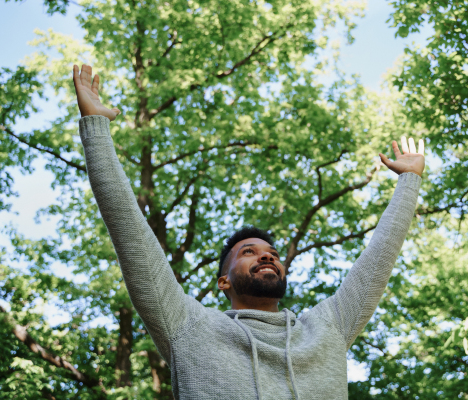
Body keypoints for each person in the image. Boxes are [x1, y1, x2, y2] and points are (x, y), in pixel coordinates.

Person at [73, 64, 425, 400]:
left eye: (271, 252)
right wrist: (96, 128)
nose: (267, 255)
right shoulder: (188, 326)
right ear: (222, 281)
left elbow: (377, 262)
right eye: (248, 252)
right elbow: (130, 233)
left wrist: (409, 181)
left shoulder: (326, 328)